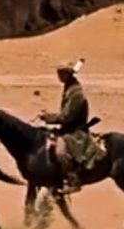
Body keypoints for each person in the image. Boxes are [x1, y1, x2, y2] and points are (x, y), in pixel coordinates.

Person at [40, 60, 96, 193]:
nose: (58, 76)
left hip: (75, 132)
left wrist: (49, 118)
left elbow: (67, 117)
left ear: (68, 74)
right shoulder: (69, 88)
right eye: (58, 73)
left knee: (60, 152)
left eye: (61, 73)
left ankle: (73, 180)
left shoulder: (76, 93)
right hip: (67, 129)